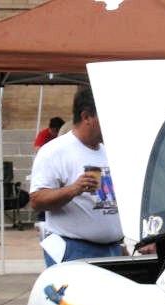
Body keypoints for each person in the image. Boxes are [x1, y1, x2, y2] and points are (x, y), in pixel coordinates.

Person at [30, 87, 122, 266]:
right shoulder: (54, 151)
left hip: (112, 248)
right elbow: (36, 200)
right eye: (107, 116)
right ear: (86, 117)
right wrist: (73, 189)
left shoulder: (109, 151)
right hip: (74, 251)